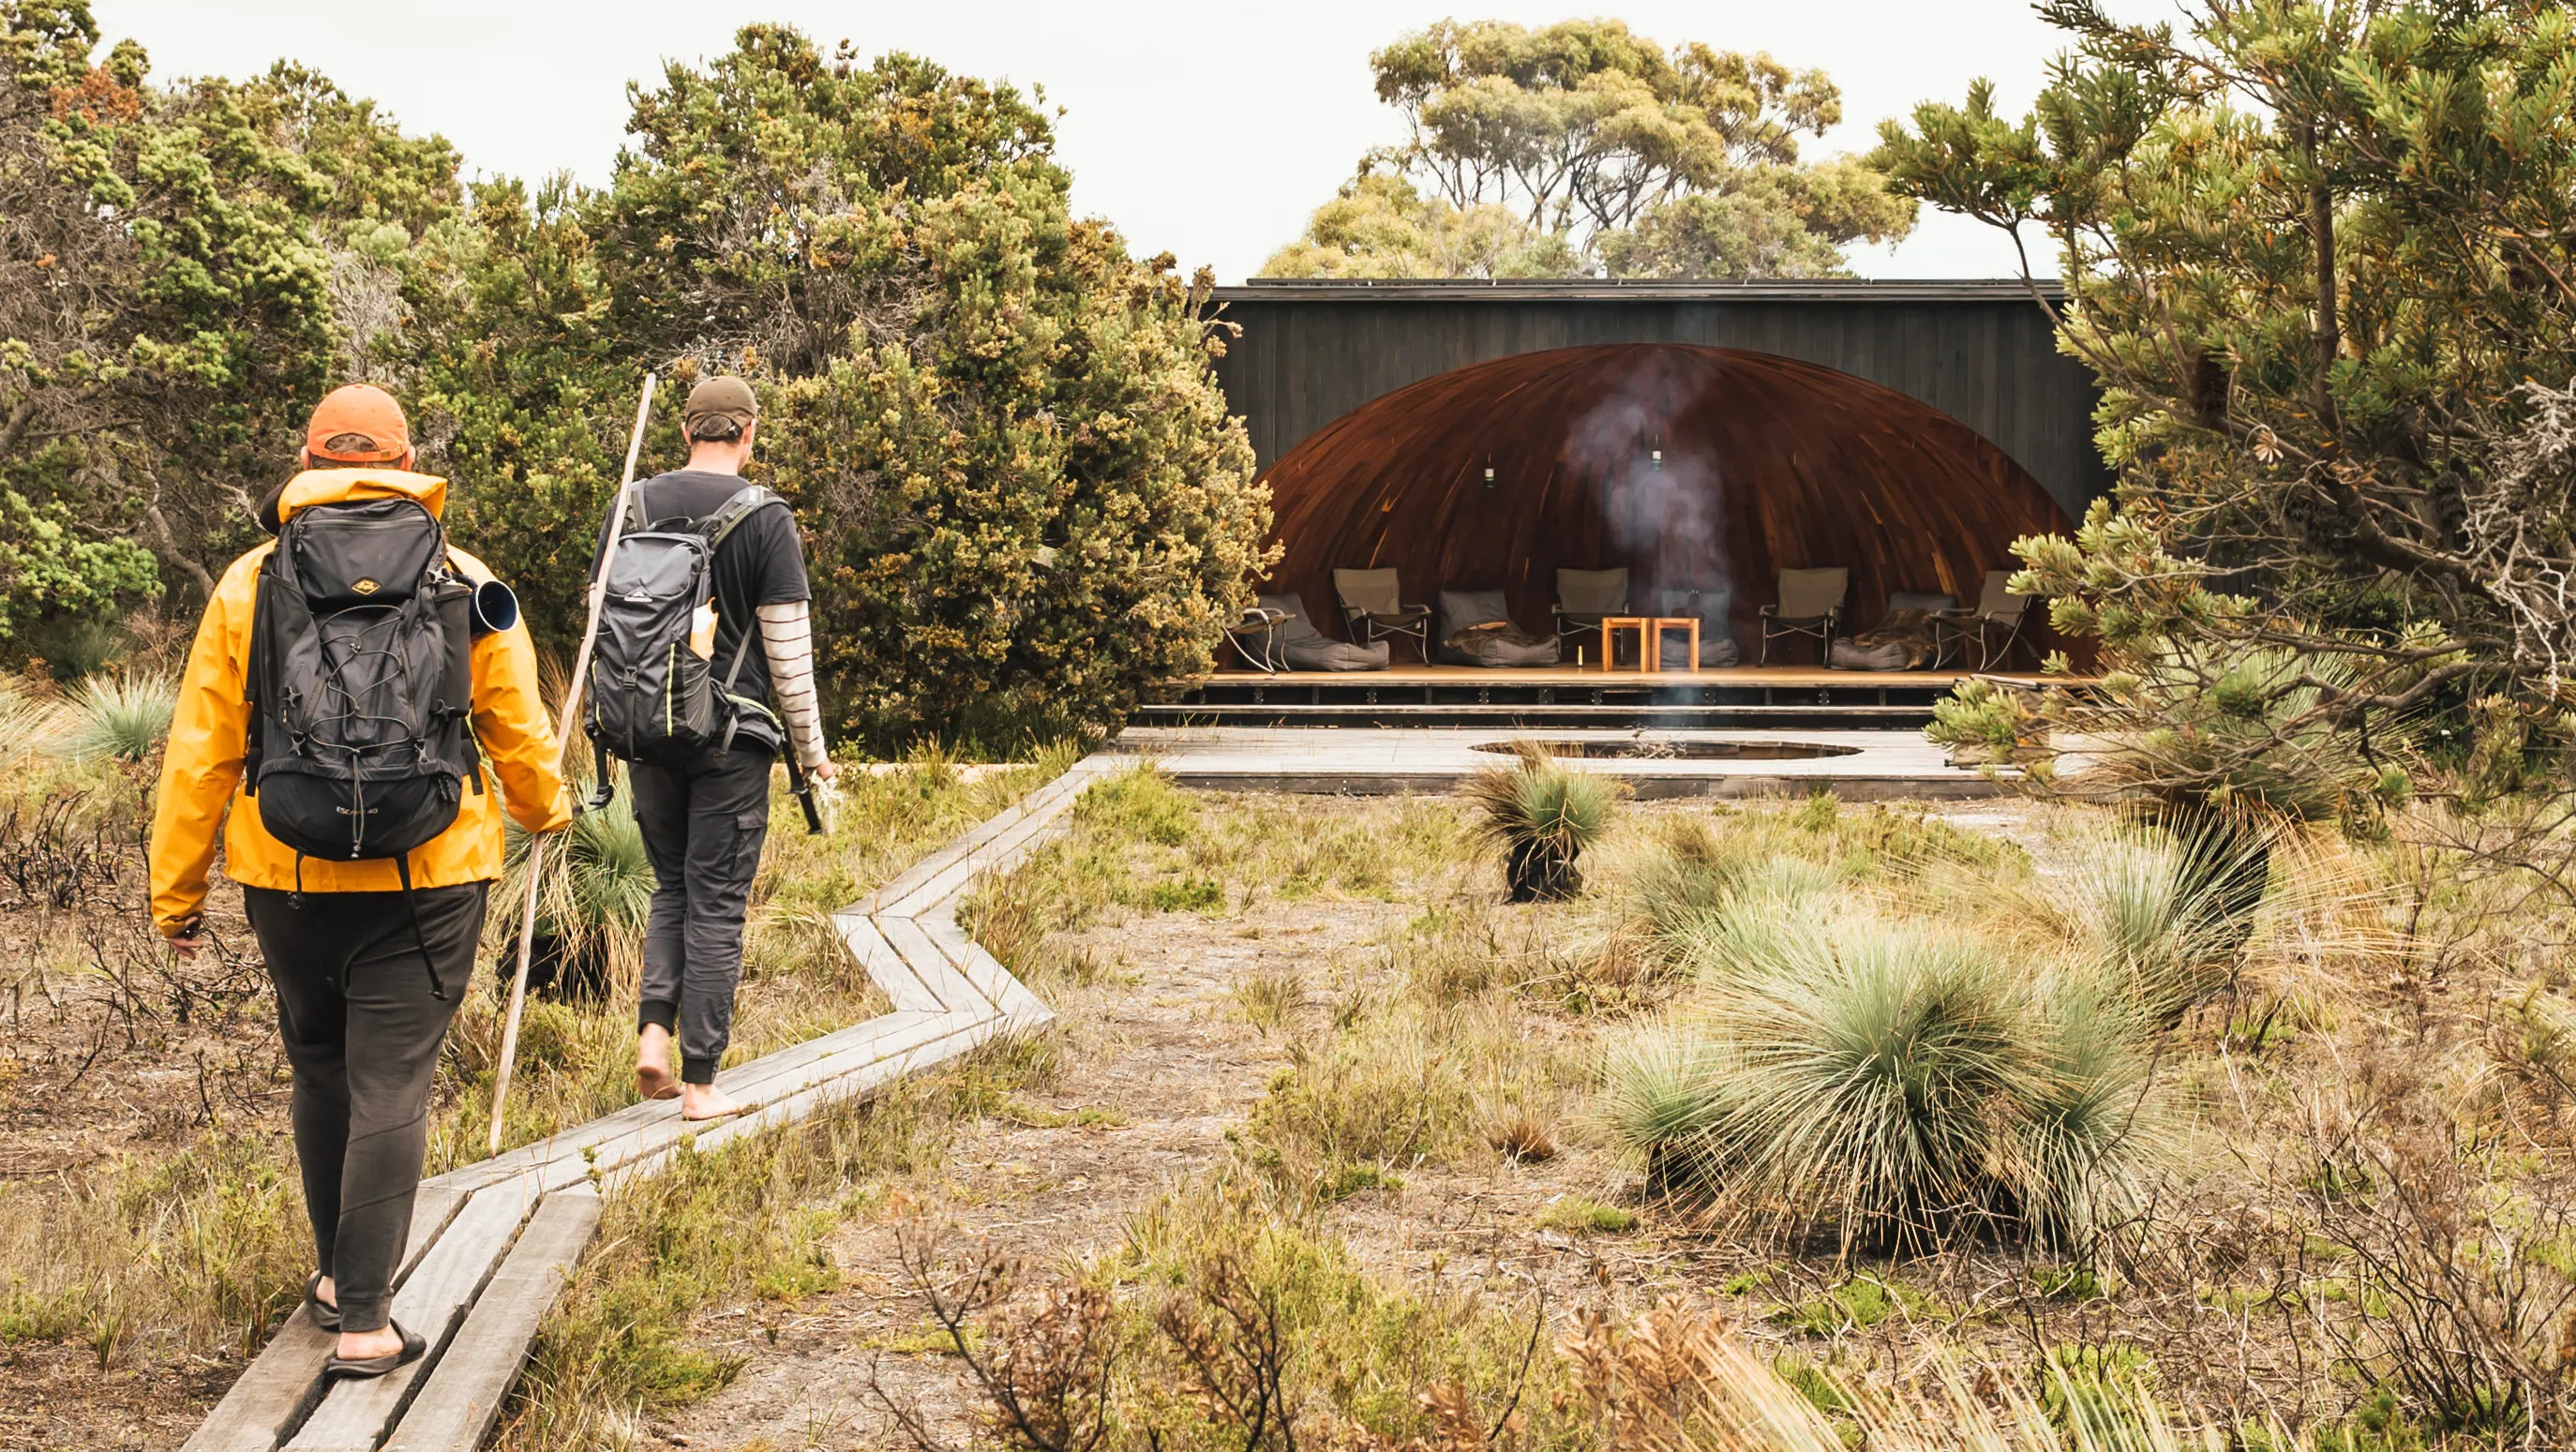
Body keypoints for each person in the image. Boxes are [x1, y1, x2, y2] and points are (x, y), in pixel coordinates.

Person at [151, 384, 572, 1378]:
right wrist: (544, 810)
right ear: (406, 456)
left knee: (323, 1068)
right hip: (430, 873)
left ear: (309, 461)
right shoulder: (466, 579)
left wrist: (178, 890)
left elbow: (201, 749)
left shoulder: (250, 582)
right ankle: (368, 1319)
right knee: (394, 1078)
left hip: (285, 871)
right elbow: (514, 722)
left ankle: (343, 1280)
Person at [614, 376, 836, 1120]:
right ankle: (701, 1082)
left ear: (687, 432)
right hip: (731, 741)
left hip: (645, 732)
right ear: (748, 433)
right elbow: (787, 653)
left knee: (671, 887)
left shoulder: (635, 504)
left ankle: (653, 1039)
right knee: (717, 902)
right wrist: (811, 753)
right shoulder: (765, 518)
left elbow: (601, 621)